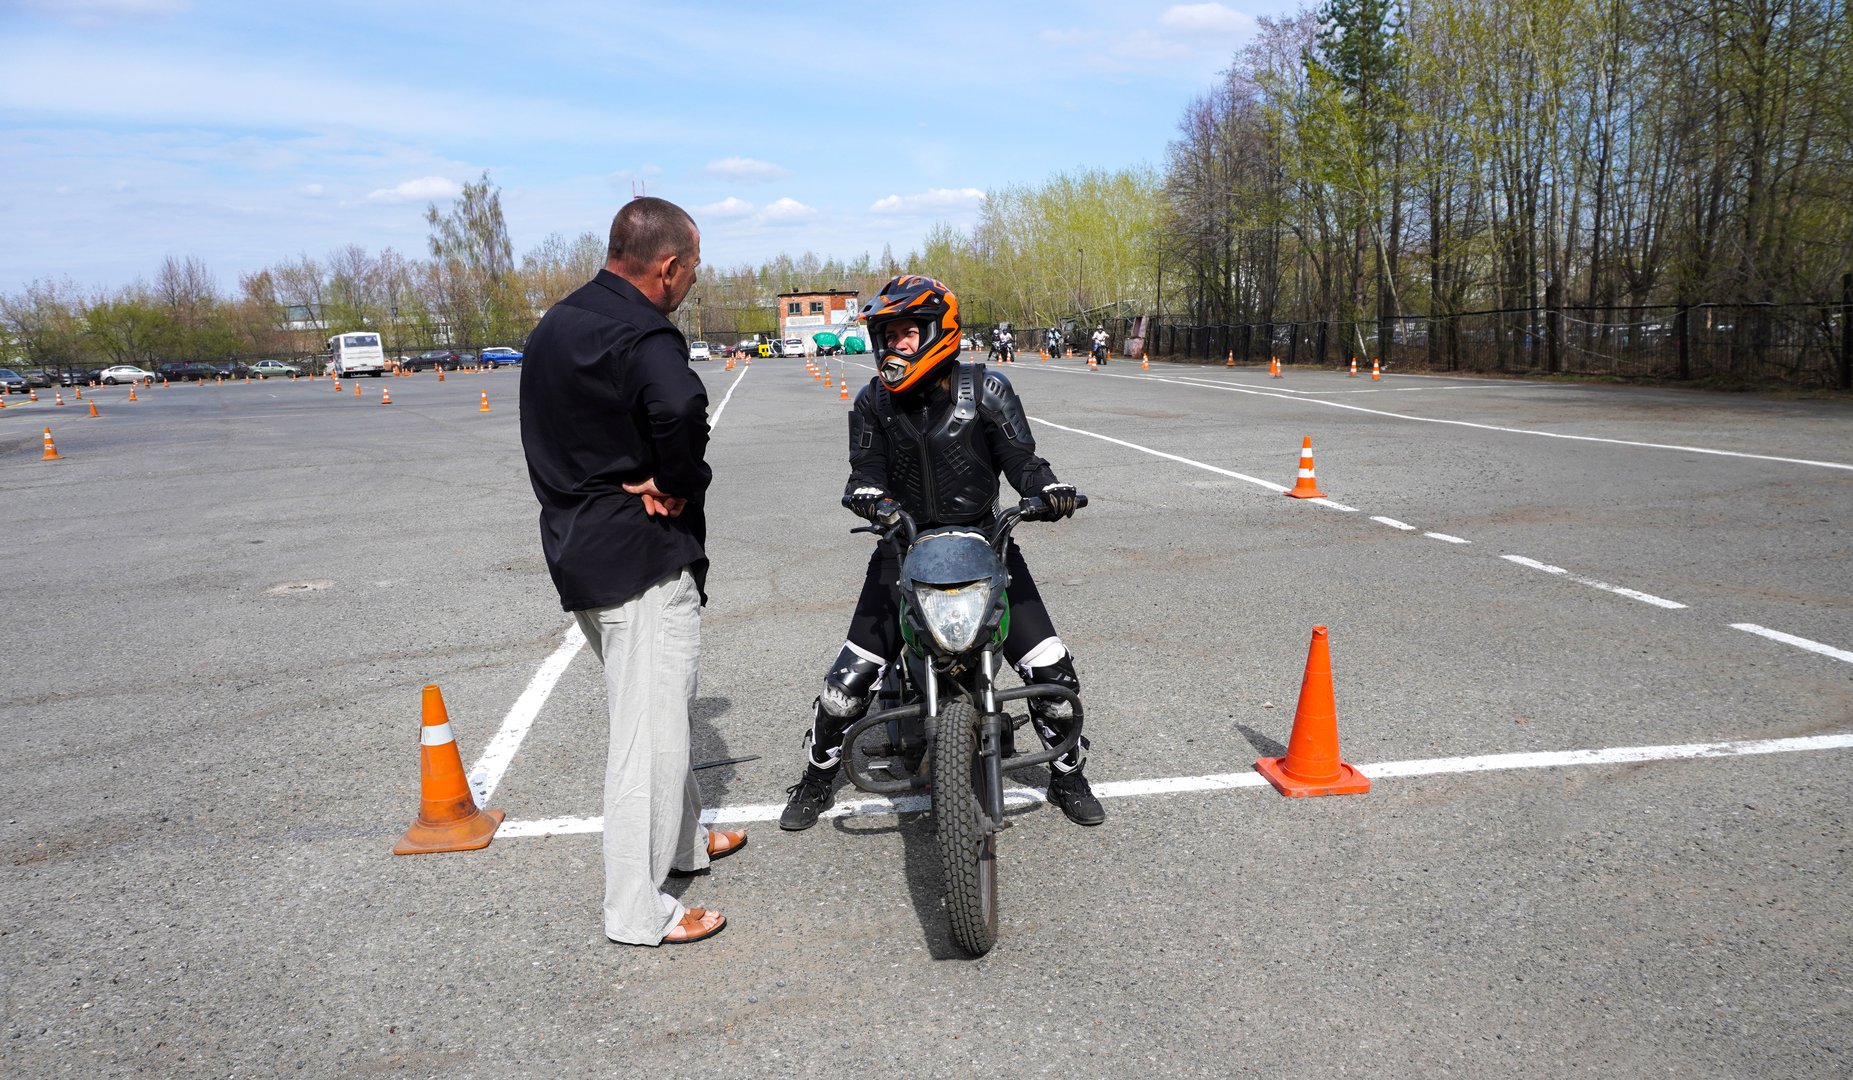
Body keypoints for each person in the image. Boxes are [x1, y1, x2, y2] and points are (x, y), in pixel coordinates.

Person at [779, 274, 1105, 831]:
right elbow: (865, 473)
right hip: (902, 550)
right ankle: (815, 775)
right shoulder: (872, 403)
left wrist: (1044, 491)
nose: (896, 345)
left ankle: (1069, 774)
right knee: (845, 687)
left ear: (940, 331)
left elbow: (1023, 460)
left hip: (986, 547)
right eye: (888, 335)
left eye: (908, 332)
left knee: (1052, 672)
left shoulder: (988, 389)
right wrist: (869, 499)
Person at [519, 196, 743, 947]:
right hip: (639, 558)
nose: (690, 283)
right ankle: (636, 908)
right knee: (647, 737)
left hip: (576, 544)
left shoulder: (557, 322)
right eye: (694, 269)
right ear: (669, 265)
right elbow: (680, 406)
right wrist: (677, 479)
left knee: (658, 715)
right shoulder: (646, 332)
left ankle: (682, 843)